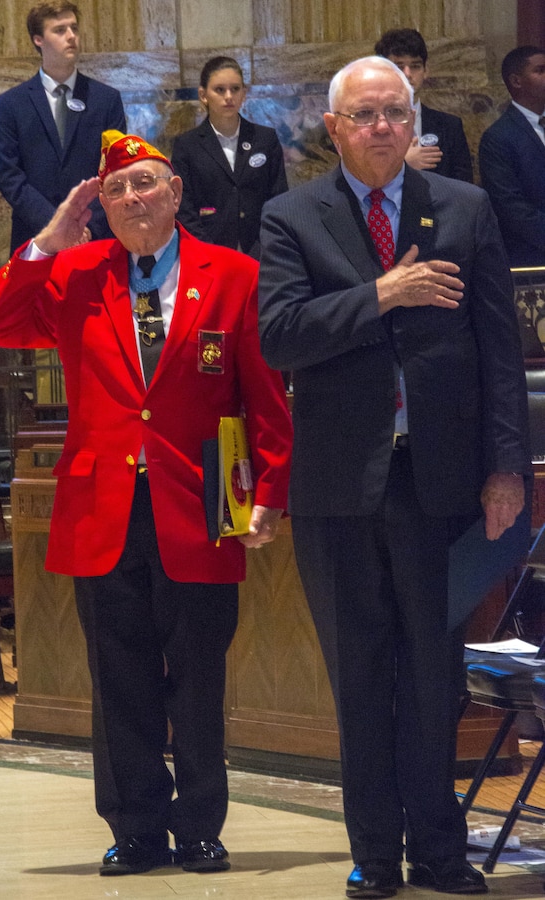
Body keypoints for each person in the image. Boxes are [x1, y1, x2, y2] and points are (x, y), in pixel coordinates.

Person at [0, 130, 292, 877]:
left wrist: (268, 495)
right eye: (115, 191)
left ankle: (200, 828)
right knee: (118, 682)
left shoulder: (234, 274)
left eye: (144, 185)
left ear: (176, 191)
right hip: (103, 505)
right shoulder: (78, 271)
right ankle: (136, 829)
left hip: (203, 500)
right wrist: (51, 238)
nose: (130, 200)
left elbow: (263, 397)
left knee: (199, 677)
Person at [258, 56, 531, 898]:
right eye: (363, 114)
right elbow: (280, 336)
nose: (381, 126)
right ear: (332, 127)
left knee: (432, 677)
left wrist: (505, 468)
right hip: (340, 488)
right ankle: (375, 855)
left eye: (394, 112)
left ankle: (439, 855)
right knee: (361, 674)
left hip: (439, 484)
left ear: (414, 122)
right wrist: (382, 293)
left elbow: (498, 351)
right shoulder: (289, 216)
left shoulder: (465, 207)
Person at [0, 2, 126, 253]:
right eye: (60, 30)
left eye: (74, 28)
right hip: (36, 234)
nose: (71, 36)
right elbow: (9, 176)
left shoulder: (106, 99)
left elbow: (116, 169)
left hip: (95, 235)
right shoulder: (12, 104)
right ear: (38, 40)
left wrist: (84, 226)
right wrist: (58, 225)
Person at [171, 55, 288, 260]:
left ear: (244, 93)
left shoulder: (264, 139)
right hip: (208, 250)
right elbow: (183, 206)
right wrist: (208, 251)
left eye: (235, 89)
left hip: (261, 250)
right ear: (203, 95)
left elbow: (278, 198)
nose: (228, 96)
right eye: (219, 89)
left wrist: (264, 246)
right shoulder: (187, 146)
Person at [375, 28, 473, 182]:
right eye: (399, 67)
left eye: (415, 66)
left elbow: (465, 188)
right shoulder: (368, 124)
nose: (407, 74)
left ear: (426, 70)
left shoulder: (449, 126)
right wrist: (402, 166)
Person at [478, 45, 545, 267]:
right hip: (531, 257)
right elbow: (509, 205)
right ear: (516, 81)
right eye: (540, 70)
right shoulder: (498, 138)